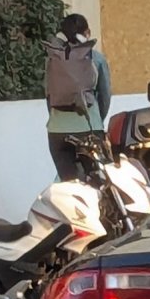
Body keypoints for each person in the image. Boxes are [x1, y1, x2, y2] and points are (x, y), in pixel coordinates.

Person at [45, 14, 112, 181]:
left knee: (68, 182)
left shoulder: (53, 59)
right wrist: (97, 120)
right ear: (87, 32)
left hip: (57, 131)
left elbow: (48, 95)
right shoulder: (96, 58)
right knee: (99, 182)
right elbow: (105, 96)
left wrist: (57, 116)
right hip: (90, 127)